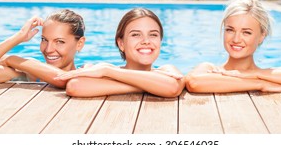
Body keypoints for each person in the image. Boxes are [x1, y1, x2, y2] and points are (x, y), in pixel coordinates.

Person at [185, 0, 281, 93]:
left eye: (246, 32)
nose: (236, 39)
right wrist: (259, 84)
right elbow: (194, 82)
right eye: (230, 30)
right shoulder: (210, 69)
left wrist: (255, 74)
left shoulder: (268, 74)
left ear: (261, 36)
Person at [55, 8, 185, 98]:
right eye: (136, 35)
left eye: (153, 35)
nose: (146, 41)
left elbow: (173, 88)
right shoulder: (103, 68)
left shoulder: (167, 69)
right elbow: (74, 86)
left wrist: (108, 72)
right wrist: (152, 86)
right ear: (121, 43)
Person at [0, 9, 86, 88]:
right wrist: (19, 36)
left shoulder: (87, 71)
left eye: (59, 42)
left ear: (79, 43)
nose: (48, 49)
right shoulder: (31, 74)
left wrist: (12, 59)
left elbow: (65, 79)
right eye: (44, 40)